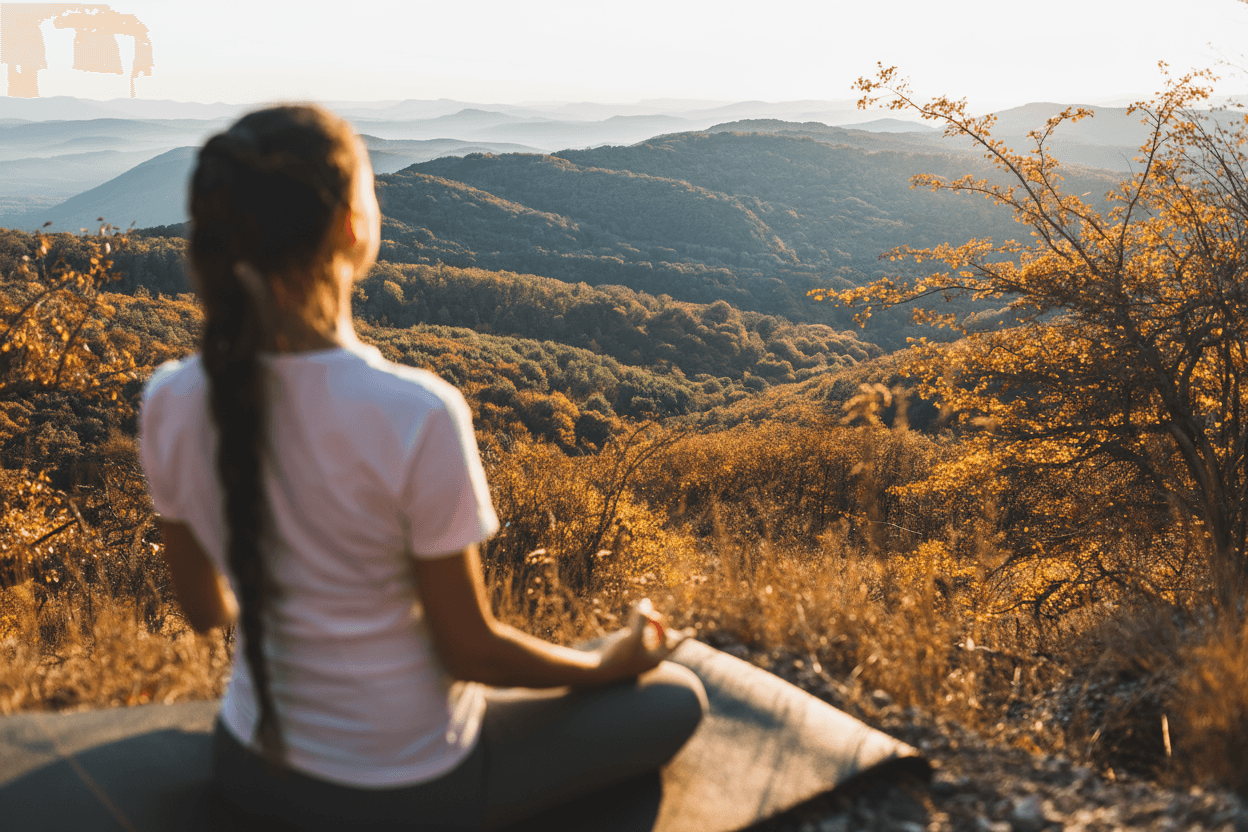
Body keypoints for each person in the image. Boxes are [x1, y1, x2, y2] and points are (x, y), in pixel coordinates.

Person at [137, 104, 706, 831]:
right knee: (675, 696)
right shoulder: (416, 413)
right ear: (352, 226)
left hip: (249, 763)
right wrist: (607, 669)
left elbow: (204, 608)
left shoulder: (171, 397)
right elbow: (470, 651)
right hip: (407, 789)